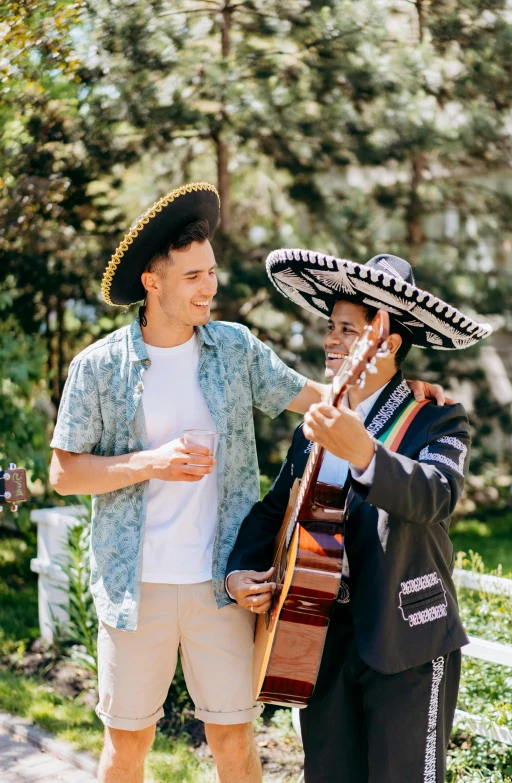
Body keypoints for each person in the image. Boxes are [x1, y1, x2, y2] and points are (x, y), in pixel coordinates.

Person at [49, 183, 444, 783]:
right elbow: (63, 473)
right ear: (152, 283)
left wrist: (396, 386)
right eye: (192, 277)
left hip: (222, 587)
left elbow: (319, 399)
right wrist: (149, 463)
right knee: (127, 745)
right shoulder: (98, 366)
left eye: (211, 272)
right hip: (134, 588)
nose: (210, 287)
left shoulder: (236, 349)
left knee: (234, 741)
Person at [226, 249, 491, 783]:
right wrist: (238, 573)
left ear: (385, 343)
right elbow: (273, 511)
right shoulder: (316, 425)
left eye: (347, 330)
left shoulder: (437, 418)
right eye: (331, 327)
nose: (330, 340)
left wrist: (364, 452)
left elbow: (436, 496)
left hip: (407, 640)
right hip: (316, 637)